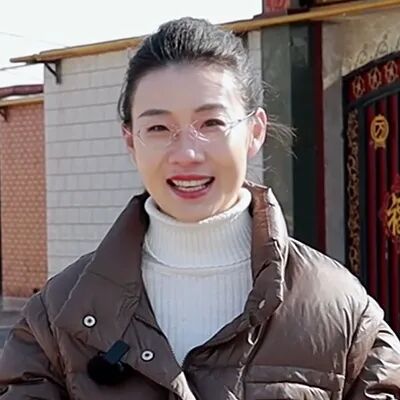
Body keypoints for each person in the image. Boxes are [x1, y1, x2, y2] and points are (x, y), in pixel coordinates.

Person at [0, 17, 399, 400]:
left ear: (255, 131)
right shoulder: (57, 317)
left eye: (211, 123)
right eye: (158, 128)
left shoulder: (342, 312)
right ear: (131, 141)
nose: (187, 154)